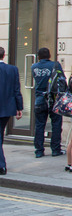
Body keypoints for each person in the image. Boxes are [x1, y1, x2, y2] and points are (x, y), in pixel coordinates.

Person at [31, 47, 65, 158]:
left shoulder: (33, 67)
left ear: (38, 56)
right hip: (53, 98)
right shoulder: (55, 65)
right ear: (49, 55)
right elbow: (62, 80)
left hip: (39, 98)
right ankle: (55, 149)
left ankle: (39, 151)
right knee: (56, 124)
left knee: (40, 125)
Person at [0, 46, 23, 175]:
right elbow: (16, 90)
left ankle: (1, 165)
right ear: (4, 56)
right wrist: (19, 107)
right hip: (7, 108)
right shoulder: (13, 69)